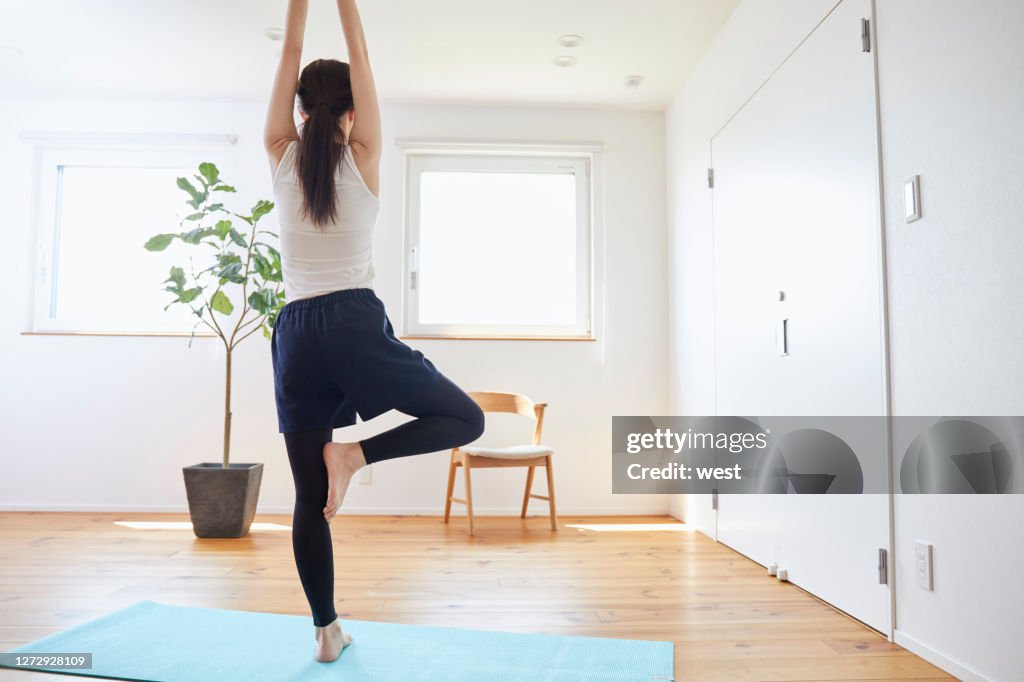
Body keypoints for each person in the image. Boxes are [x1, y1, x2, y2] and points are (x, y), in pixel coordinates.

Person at [262, 0, 485, 663]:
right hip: (354, 322)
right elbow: (362, 61)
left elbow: (286, 53)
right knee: (465, 419)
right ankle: (357, 455)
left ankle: (325, 631)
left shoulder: (280, 155)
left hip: (297, 333)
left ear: (301, 113)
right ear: (352, 113)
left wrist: (300, 8)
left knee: (308, 496)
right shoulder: (363, 155)